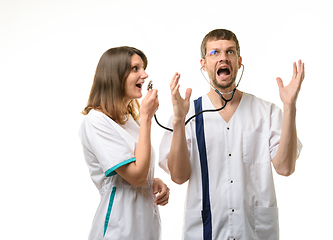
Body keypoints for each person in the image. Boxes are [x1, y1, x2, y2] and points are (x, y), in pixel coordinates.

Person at [159, 29, 304, 240]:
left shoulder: (266, 112)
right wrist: (179, 121)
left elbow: (285, 168)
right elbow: (178, 177)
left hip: (254, 232)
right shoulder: (187, 113)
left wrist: (289, 106)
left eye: (230, 52)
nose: (223, 57)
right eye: (214, 53)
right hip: (205, 232)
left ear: (238, 61)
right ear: (203, 64)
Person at [79, 46, 170, 240]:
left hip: (145, 228)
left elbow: (138, 174)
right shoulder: (96, 121)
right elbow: (136, 177)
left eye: (143, 68)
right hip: (119, 230)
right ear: (115, 75)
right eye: (135, 68)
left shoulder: (128, 120)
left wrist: (153, 182)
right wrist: (146, 118)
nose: (145, 75)